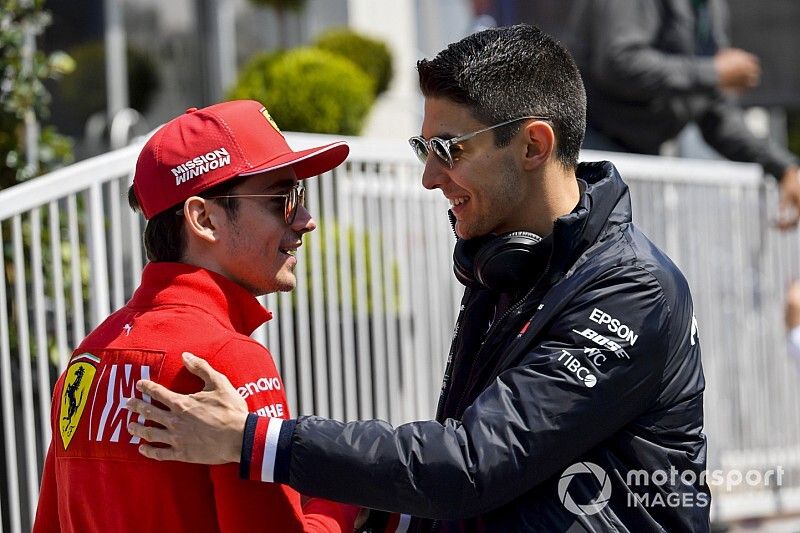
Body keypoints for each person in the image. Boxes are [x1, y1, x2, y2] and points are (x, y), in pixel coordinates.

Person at [126, 25, 710, 532]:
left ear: (533, 144)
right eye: (421, 148)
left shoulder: (634, 289)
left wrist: (254, 441)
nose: (430, 177)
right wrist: (384, 513)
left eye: (447, 148)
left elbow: (474, 463)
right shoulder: (506, 260)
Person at [33, 100, 359, 532]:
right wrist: (347, 504)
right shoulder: (228, 359)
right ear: (203, 218)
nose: (305, 220)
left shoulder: (87, 358)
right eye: (283, 199)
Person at [573, 0, 800, 229]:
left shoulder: (710, 7)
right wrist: (712, 72)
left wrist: (784, 167)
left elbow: (715, 117)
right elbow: (617, 62)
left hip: (643, 165)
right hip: (588, 154)